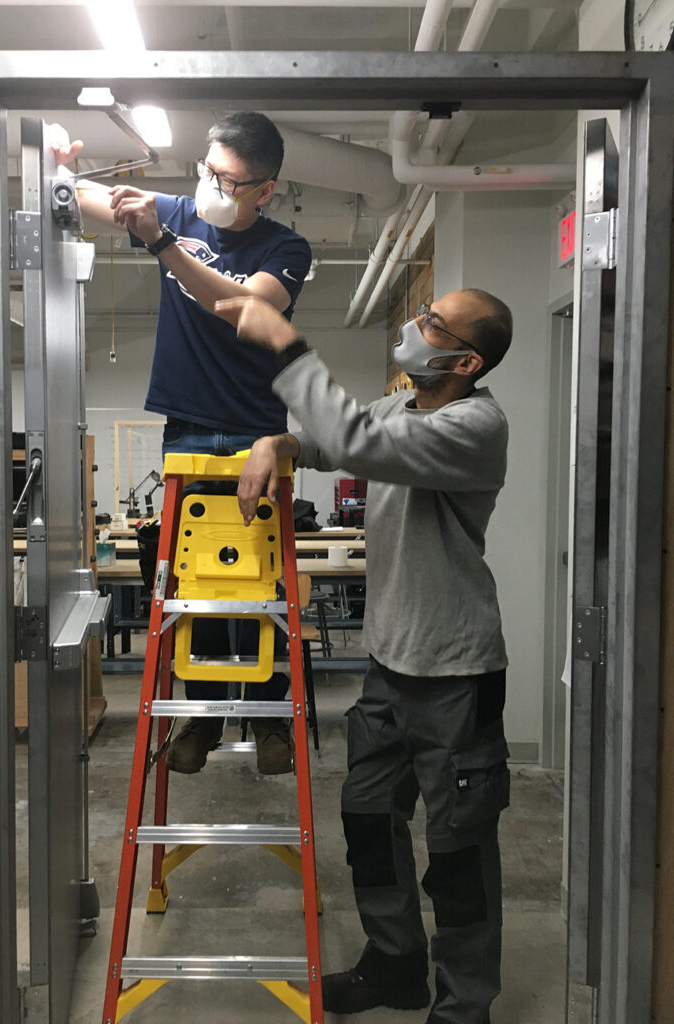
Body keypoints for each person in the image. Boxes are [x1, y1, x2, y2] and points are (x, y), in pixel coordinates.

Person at [216, 287, 513, 1024]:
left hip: (455, 670)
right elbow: (325, 439)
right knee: (369, 818)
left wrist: (283, 342)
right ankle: (396, 965)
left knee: (457, 852)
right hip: (389, 663)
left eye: (433, 324)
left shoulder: (475, 424)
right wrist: (275, 443)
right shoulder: (397, 409)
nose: (417, 328)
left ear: (466, 359)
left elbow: (351, 443)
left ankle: (464, 1007)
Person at [54, 112, 312, 775]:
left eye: (227, 178)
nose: (210, 185)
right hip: (189, 428)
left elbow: (243, 307)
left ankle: (267, 713)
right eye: (206, 169)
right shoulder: (177, 212)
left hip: (259, 433)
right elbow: (84, 201)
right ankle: (200, 715)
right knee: (198, 579)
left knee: (255, 584)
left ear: (265, 189)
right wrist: (56, 170)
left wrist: (162, 242)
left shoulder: (286, 248)